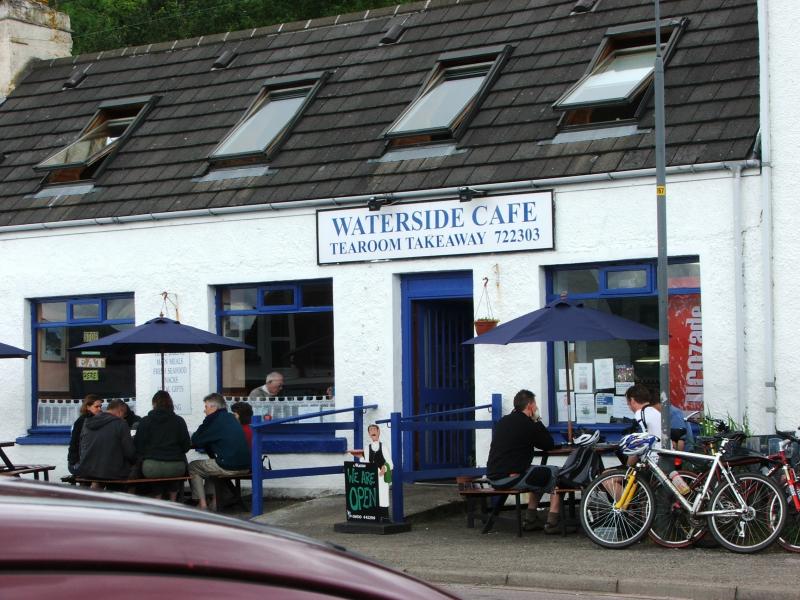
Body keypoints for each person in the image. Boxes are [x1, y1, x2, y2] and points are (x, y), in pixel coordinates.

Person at [486, 389, 569, 534]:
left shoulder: (503, 421)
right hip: (511, 478)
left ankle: (531, 520)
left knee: (539, 473)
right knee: (558, 474)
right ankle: (553, 522)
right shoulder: (528, 424)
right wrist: (537, 420)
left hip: (494, 476)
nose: (536, 408)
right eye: (535, 405)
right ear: (530, 406)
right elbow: (548, 444)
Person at [189, 393, 251, 510]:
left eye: (206, 407)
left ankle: (202, 504)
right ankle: (213, 500)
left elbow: (196, 440)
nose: (204, 410)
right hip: (246, 466)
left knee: (193, 466)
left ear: (214, 407)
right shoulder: (231, 418)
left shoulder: (214, 420)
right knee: (211, 465)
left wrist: (206, 421)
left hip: (229, 466)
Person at [134, 390, 191, 500]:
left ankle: (158, 500)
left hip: (151, 467)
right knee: (174, 476)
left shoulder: (145, 421)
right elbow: (186, 446)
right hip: (176, 466)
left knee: (155, 477)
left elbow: (138, 446)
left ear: (154, 404)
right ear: (170, 403)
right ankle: (173, 501)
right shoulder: (179, 421)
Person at [78, 398, 137, 482]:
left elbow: (81, 448)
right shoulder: (121, 424)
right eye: (124, 415)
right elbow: (130, 453)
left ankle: (96, 485)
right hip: (112, 473)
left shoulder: (87, 423)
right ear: (120, 411)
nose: (124, 418)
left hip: (87, 470)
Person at [68, 394, 103, 476]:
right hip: (78, 462)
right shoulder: (82, 422)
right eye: (96, 407)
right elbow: (76, 444)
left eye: (100, 406)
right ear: (88, 407)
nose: (100, 409)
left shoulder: (99, 420)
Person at [366, 424, 390, 518]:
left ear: (378, 432)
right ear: (369, 433)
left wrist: (385, 468)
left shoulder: (383, 447)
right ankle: (374, 516)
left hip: (381, 477)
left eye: (374, 429)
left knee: (383, 496)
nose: (373, 431)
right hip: (371, 476)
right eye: (370, 430)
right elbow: (366, 462)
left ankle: (384, 517)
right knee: (372, 496)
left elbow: (390, 463)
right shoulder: (367, 448)